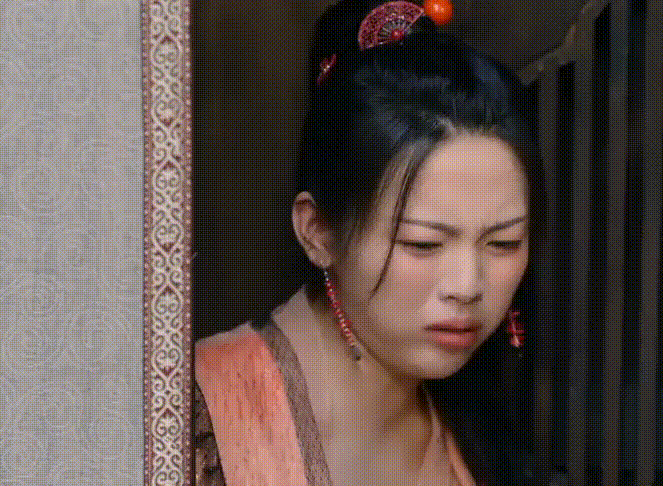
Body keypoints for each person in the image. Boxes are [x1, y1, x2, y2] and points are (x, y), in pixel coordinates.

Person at [194, 1, 547, 484]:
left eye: (503, 243)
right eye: (423, 244)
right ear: (318, 232)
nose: (468, 286)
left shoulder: (480, 415)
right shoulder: (199, 416)